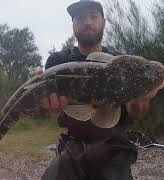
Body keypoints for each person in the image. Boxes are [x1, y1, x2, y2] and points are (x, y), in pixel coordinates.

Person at [40, 1, 158, 179]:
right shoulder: (58, 61)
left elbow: (135, 114)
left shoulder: (121, 62)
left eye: (93, 16)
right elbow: (50, 109)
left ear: (104, 22)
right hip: (73, 144)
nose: (88, 22)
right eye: (80, 18)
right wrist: (47, 106)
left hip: (114, 146)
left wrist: (141, 99)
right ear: (73, 24)